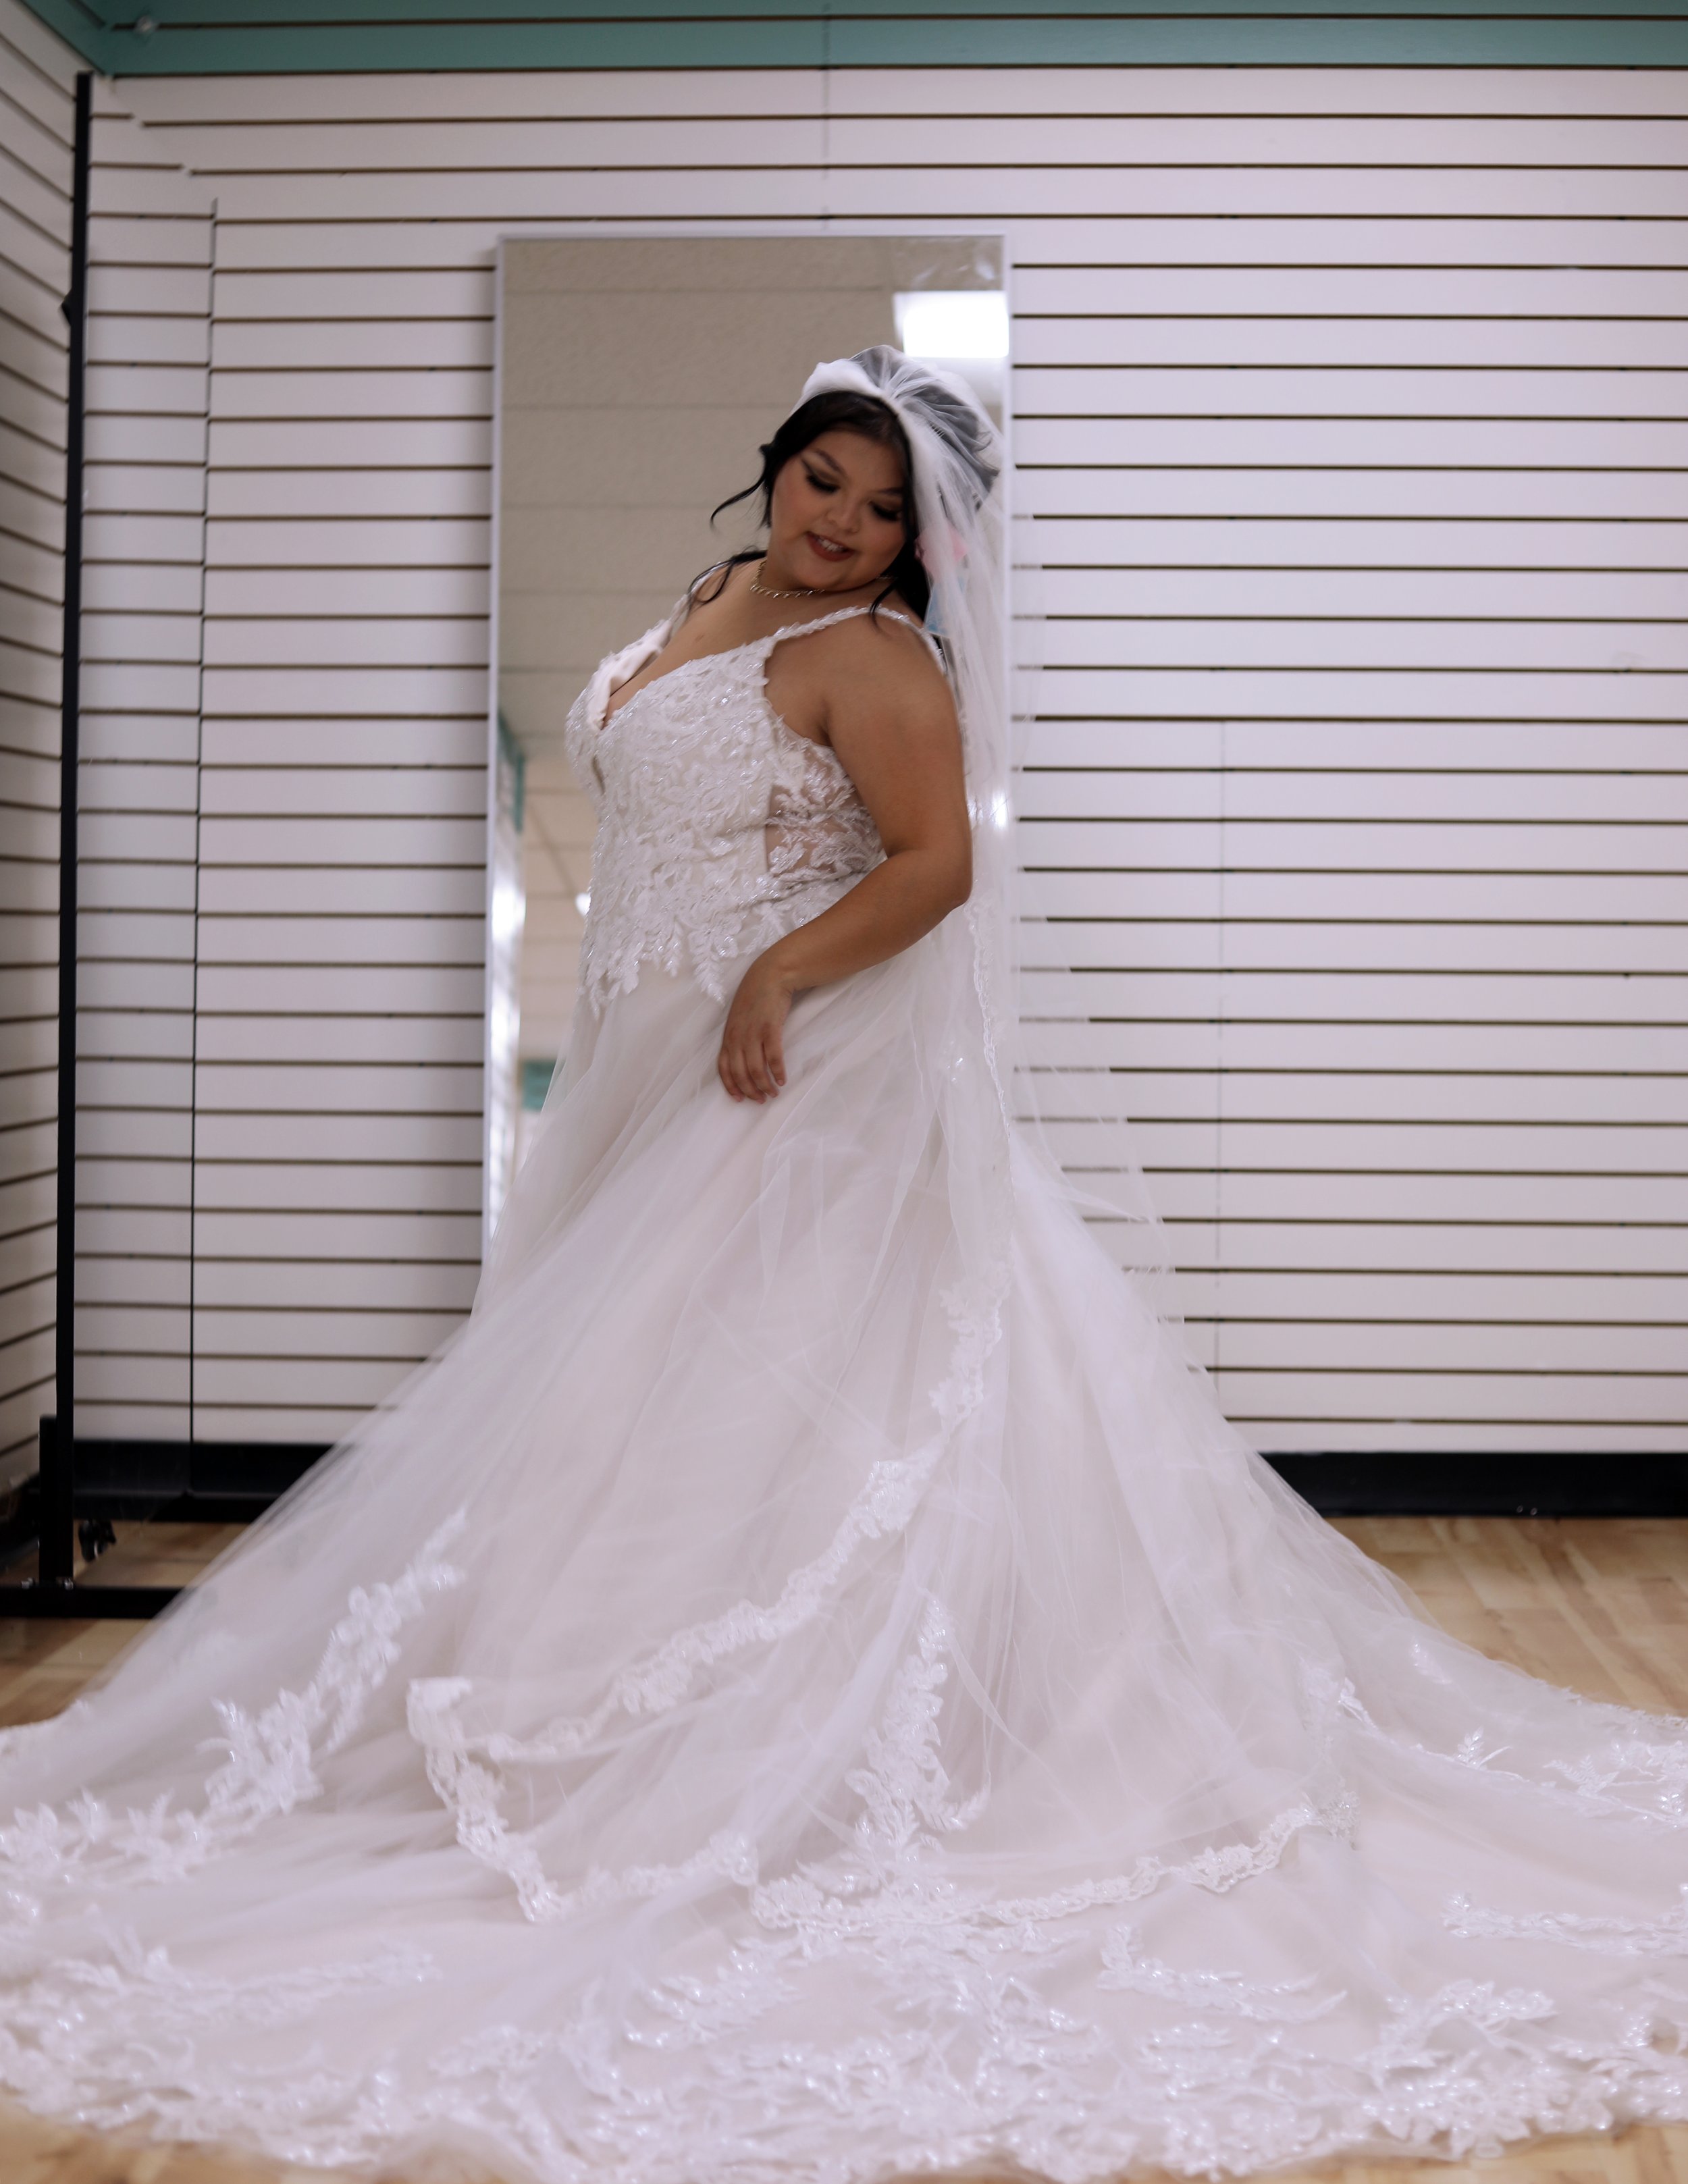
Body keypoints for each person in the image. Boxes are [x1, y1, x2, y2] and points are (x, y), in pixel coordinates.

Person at [0, 347, 1683, 2183]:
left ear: (922, 548)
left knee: (745, 1409)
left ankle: (743, 1766)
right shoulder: (720, 595)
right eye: (824, 481)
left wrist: (778, 972)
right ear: (777, 462)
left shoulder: (876, 658)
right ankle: (589, 1736)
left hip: (794, 1085)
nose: (844, 526)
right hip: (651, 1067)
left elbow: (938, 864)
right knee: (620, 1411)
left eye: (886, 513)